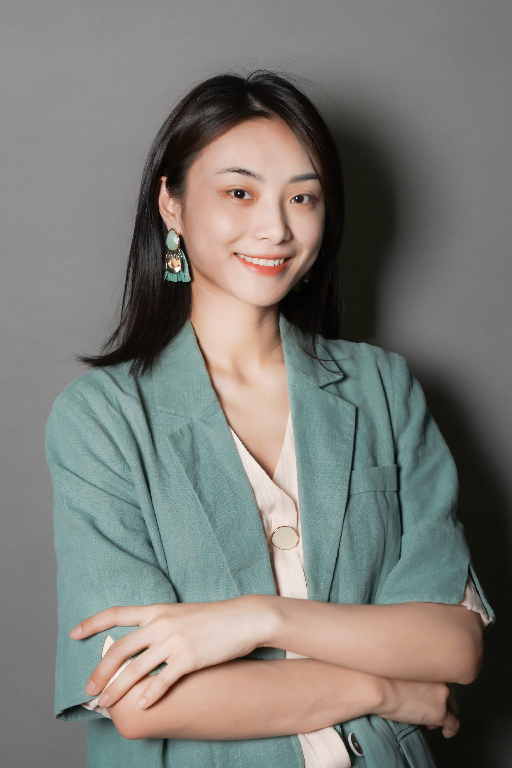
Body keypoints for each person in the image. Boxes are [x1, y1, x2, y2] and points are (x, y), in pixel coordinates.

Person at [46, 71, 493, 768]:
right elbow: (140, 700)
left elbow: (454, 646)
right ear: (171, 204)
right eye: (239, 192)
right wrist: (384, 688)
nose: (276, 227)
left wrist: (260, 619)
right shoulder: (101, 419)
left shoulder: (383, 388)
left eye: (303, 197)